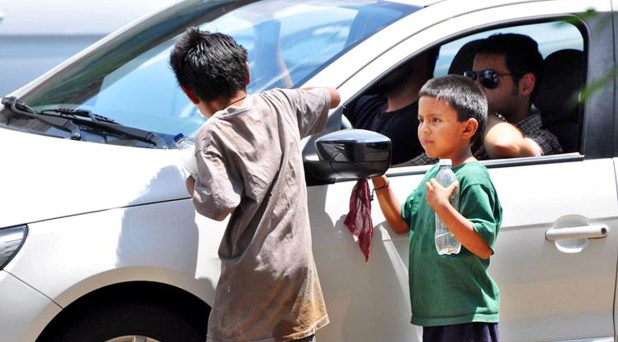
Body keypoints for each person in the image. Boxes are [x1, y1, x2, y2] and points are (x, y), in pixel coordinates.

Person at [169, 28, 341, 342]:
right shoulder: (281, 103)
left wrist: (192, 182)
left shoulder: (211, 134)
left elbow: (219, 205)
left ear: (190, 94)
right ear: (247, 72)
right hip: (296, 271)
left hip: (252, 276)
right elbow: (332, 96)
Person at [371, 75, 502, 341]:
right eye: (421, 120)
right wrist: (379, 181)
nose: (424, 130)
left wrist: (444, 208)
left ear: (468, 129)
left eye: (436, 120)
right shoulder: (436, 172)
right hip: (435, 312)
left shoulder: (472, 177)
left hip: (466, 313)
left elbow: (482, 244)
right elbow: (401, 223)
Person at [465, 33, 563, 158]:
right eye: (471, 77)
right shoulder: (472, 133)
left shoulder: (543, 139)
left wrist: (484, 115)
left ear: (525, 85)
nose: (476, 85)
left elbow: (503, 146)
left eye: (488, 76)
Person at [345, 48, 438, 164]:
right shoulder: (368, 103)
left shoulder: (410, 127)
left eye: (383, 55)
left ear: (418, 56)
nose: (372, 63)